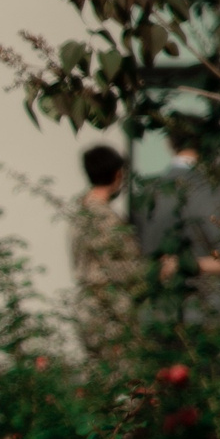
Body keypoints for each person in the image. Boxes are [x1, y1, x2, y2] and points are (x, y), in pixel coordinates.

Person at [134, 120, 220, 335]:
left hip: (156, 310)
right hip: (202, 312)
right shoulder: (208, 189)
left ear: (169, 144)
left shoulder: (149, 190)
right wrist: (185, 264)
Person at [68, 144, 144, 359]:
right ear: (117, 174)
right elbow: (126, 269)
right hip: (109, 309)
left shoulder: (80, 212)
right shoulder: (104, 218)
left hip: (87, 305)